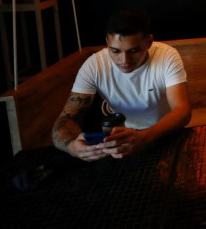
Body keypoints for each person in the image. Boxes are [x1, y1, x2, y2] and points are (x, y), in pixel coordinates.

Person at [52, 8, 191, 161]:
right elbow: (64, 121)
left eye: (134, 50)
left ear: (149, 42)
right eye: (115, 51)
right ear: (107, 42)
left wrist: (144, 137)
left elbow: (182, 110)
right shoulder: (94, 65)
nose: (124, 60)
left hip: (164, 132)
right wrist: (72, 147)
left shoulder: (167, 56)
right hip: (121, 138)